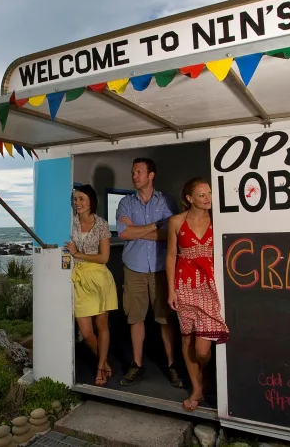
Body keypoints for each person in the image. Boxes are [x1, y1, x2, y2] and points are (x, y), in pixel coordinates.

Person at [115, 158, 183, 388]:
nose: (134, 176)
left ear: (151, 175)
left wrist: (136, 230)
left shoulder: (166, 201)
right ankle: (136, 364)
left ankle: (172, 365)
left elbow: (171, 234)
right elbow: (123, 234)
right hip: (133, 268)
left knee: (165, 319)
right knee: (135, 318)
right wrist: (155, 225)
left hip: (161, 269)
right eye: (133, 172)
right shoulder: (125, 202)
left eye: (139, 172)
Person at [166, 177, 229, 411]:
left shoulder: (218, 219)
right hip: (184, 285)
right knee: (187, 338)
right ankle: (196, 388)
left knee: (202, 350)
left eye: (209, 193)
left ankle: (204, 373)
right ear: (189, 198)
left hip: (210, 285)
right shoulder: (176, 221)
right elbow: (171, 255)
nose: (208, 198)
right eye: (202, 195)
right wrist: (171, 289)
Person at [65, 184, 118, 386]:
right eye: (75, 199)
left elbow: (104, 257)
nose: (77, 203)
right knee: (86, 333)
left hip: (99, 279)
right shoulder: (70, 223)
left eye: (81, 199)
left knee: (102, 326)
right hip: (79, 279)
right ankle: (103, 362)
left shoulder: (101, 224)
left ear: (91, 202)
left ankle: (100, 368)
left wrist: (78, 253)